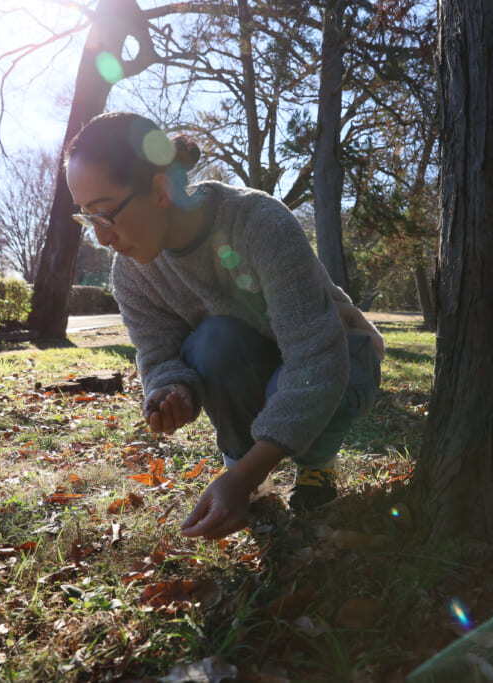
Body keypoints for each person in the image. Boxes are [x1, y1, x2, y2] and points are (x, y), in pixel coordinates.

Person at [65, 112, 383, 540]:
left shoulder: (259, 222)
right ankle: (248, 474)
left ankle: (315, 468)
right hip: (264, 362)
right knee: (215, 340)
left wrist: (242, 478)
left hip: (344, 361)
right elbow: (157, 356)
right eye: (87, 218)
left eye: (105, 215)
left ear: (160, 189)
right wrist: (171, 391)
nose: (101, 239)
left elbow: (319, 359)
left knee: (307, 375)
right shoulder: (131, 273)